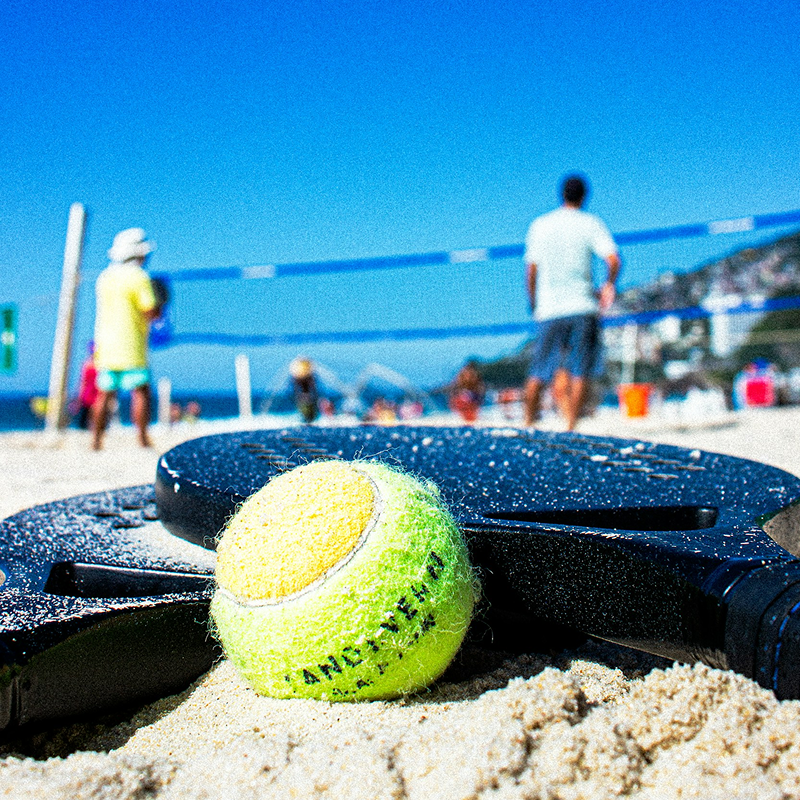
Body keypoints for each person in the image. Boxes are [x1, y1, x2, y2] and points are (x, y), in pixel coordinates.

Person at [523, 174, 620, 431]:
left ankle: (527, 424)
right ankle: (570, 426)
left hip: (549, 308)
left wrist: (533, 302)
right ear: (584, 196)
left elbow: (531, 270)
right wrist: (608, 285)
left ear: (561, 194)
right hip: (582, 306)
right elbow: (613, 260)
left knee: (539, 371)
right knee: (580, 370)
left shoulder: (540, 225)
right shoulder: (590, 223)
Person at [91, 228, 161, 450]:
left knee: (104, 394)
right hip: (131, 344)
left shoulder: (104, 277)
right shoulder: (139, 277)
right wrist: (161, 305)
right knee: (141, 391)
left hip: (105, 344)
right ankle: (141, 438)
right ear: (139, 254)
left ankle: (96, 440)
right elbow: (149, 310)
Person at [73, 341, 99, 430]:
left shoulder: (98, 364)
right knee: (85, 417)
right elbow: (82, 381)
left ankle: (94, 431)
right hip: (88, 393)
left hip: (97, 392)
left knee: (95, 416)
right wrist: (78, 397)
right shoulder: (86, 364)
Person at [290, 356, 319, 424]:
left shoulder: (299, 378)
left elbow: (295, 389)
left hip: (304, 397)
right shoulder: (308, 378)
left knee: (305, 402)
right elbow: (313, 388)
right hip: (306, 397)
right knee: (306, 404)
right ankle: (308, 418)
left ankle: (307, 418)